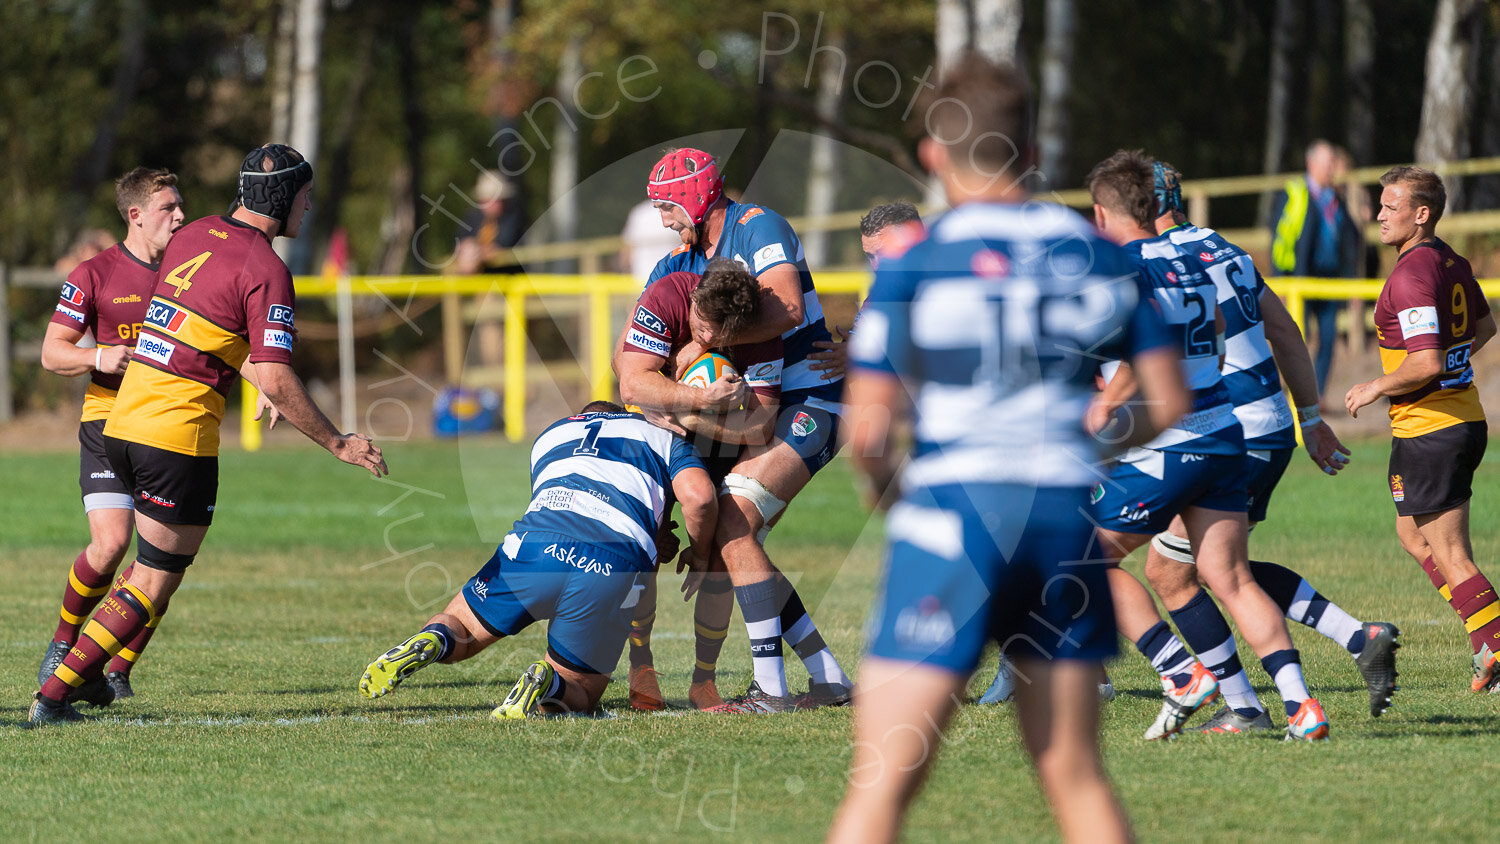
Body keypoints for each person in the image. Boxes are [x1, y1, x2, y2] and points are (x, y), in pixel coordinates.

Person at [827, 56, 1182, 844]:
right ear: (1028, 149)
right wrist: (1084, 446)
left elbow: (869, 431)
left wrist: (888, 492)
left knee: (880, 791)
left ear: (932, 153)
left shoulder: (916, 260)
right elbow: (1167, 402)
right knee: (1075, 776)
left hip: (954, 516)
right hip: (1061, 522)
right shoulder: (1100, 255)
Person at [29, 144, 389, 725]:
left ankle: (89, 676)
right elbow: (273, 369)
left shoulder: (193, 235)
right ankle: (54, 695)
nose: (311, 207)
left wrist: (258, 380)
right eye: (307, 197)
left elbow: (197, 329)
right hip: (177, 434)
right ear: (287, 199)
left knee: (136, 566)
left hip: (121, 424)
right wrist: (338, 443)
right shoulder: (267, 269)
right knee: (149, 581)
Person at [1141, 160, 1399, 730]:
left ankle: (1250, 706)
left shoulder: (1154, 260)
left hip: (1223, 430)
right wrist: (1310, 417)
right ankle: (1354, 638)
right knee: (1216, 568)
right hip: (1268, 424)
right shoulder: (1225, 249)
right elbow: (1283, 331)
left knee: (1175, 573)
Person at [1087, 149, 1330, 742]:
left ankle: (1179, 671)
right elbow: (1218, 337)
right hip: (1225, 433)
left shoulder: (1124, 267)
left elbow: (1152, 351)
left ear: (1101, 214)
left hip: (1172, 444)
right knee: (1231, 577)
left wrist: (1106, 404)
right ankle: (1300, 707)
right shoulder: (1191, 261)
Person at [636, 148, 852, 712]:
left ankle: (770, 691)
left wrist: (702, 341)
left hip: (812, 398)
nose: (662, 219)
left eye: (666, 206)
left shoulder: (758, 226)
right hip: (746, 407)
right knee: (738, 540)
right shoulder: (675, 263)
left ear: (693, 195)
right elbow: (628, 361)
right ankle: (828, 678)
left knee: (733, 520)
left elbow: (784, 310)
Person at [359, 401, 717, 717]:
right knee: (579, 694)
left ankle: (435, 639)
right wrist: (698, 555)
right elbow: (699, 499)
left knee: (461, 627)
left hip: (535, 544)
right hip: (610, 561)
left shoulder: (550, 435)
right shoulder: (661, 437)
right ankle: (548, 682)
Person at [1346, 166, 1500, 693]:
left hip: (1431, 429)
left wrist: (1374, 386)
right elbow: (1485, 327)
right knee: (1413, 535)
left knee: (1451, 555)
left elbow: (1426, 361)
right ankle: (1485, 640)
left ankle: (1495, 649)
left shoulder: (1411, 275)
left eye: (1390, 207)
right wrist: (1451, 364)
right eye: (1380, 205)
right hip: (1457, 421)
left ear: (1421, 214)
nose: (1379, 215)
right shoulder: (1449, 261)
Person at [36, 167, 186, 704]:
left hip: (169, 424)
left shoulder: (189, 273)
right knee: (112, 545)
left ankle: (117, 668)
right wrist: (99, 355)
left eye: (180, 206)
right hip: (107, 422)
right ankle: (62, 646)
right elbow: (53, 352)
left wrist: (264, 381)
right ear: (136, 215)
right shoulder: (92, 273)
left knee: (160, 560)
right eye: (168, 207)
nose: (180, 216)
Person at [613, 258, 787, 711]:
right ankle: (641, 669)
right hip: (655, 435)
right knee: (645, 547)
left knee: (719, 558)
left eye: (721, 334)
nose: (709, 339)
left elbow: (763, 426)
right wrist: (700, 400)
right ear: (692, 300)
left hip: (712, 445)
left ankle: (703, 682)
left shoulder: (759, 331)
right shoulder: (668, 293)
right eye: (703, 326)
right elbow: (632, 384)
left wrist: (695, 420)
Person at [1269, 140, 1363, 400]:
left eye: (1333, 162)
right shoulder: (1295, 193)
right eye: (1328, 163)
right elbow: (1279, 240)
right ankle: (1286, 393)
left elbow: (1350, 244)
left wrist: (1353, 284)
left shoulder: (1336, 198)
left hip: (1330, 281)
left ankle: (1316, 397)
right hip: (1298, 281)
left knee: (1328, 339)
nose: (1333, 168)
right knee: (1296, 339)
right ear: (1312, 164)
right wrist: (1280, 284)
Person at [453, 169, 524, 274]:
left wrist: (477, 251)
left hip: (504, 276)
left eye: (497, 199)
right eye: (488, 199)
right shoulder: (473, 216)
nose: (493, 204)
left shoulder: (513, 218)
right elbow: (460, 241)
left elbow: (503, 245)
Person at [620, 198, 684, 284]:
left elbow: (627, 250)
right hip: (672, 279)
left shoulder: (640, 212)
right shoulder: (679, 211)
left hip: (642, 279)